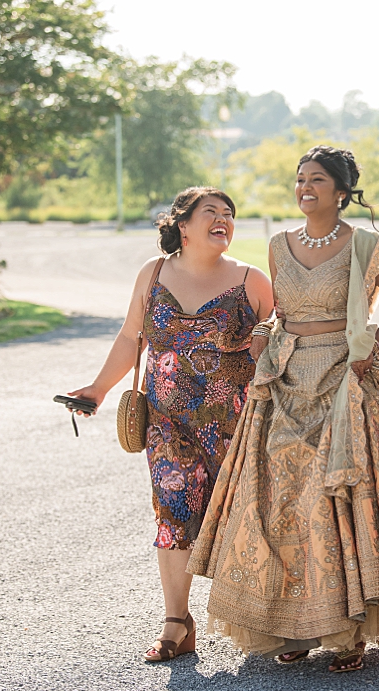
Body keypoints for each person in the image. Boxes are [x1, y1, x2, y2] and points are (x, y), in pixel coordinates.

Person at [187, 146, 379, 673]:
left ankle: (345, 629)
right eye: (300, 179)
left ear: (341, 191)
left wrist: (372, 338)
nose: (305, 187)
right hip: (284, 379)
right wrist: (262, 336)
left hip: (343, 379)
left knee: (336, 498)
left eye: (317, 180)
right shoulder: (279, 245)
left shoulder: (367, 245)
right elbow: (279, 314)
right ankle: (290, 625)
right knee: (282, 499)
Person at [66, 187, 273, 662]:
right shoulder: (153, 273)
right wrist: (97, 388)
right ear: (183, 224)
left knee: (245, 515)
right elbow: (130, 336)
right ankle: (176, 622)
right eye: (211, 213)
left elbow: (281, 338)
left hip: (236, 424)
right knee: (172, 513)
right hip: (166, 423)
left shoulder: (250, 281)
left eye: (229, 214)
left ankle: (264, 617)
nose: (223, 220)